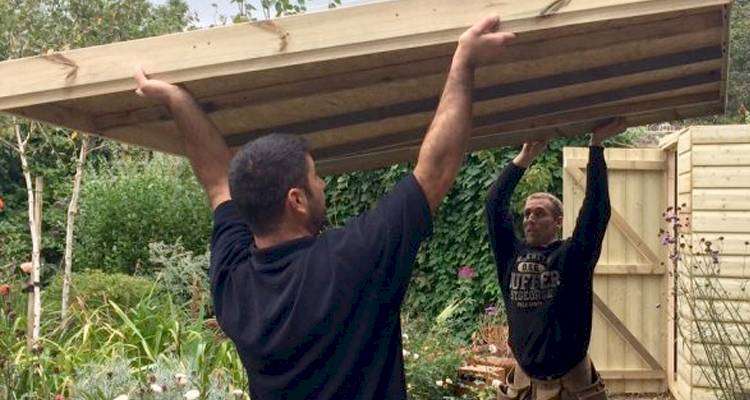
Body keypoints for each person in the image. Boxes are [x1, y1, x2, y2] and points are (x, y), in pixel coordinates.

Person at [133, 16, 515, 400]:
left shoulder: (234, 284)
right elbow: (435, 170)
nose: (323, 183)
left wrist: (176, 101)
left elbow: (217, 181)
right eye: (316, 177)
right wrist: (464, 62)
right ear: (296, 200)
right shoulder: (351, 260)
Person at [486, 119, 626, 400]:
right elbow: (494, 205)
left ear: (558, 221)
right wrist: (523, 159)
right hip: (525, 385)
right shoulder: (511, 255)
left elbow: (596, 209)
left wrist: (596, 146)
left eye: (539, 213)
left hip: (573, 385)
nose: (530, 219)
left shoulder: (574, 256)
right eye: (527, 213)